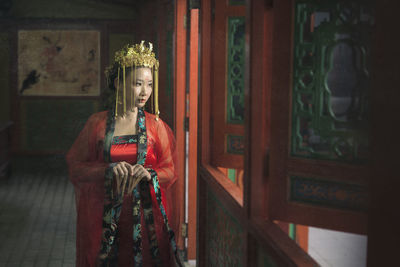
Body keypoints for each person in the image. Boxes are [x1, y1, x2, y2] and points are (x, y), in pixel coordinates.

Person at [66, 41, 182, 267]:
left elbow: (170, 170)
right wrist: (108, 169)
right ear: (119, 83)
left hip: (146, 217)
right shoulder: (97, 124)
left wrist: (149, 174)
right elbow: (76, 167)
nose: (145, 91)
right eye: (138, 83)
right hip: (104, 216)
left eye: (149, 84)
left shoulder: (156, 126)